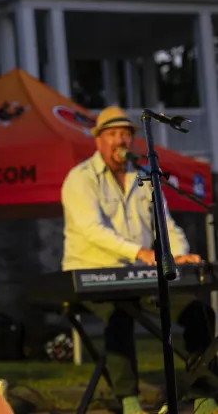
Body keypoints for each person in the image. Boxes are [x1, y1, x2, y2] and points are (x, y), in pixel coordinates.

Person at [61, 106, 218, 414]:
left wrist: (178, 254)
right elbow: (92, 229)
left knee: (199, 312)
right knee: (118, 318)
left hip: (143, 272)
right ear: (98, 141)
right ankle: (129, 400)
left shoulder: (146, 178)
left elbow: (167, 224)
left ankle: (202, 393)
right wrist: (142, 253)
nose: (120, 140)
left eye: (126, 134)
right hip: (95, 272)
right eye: (113, 134)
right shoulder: (79, 179)